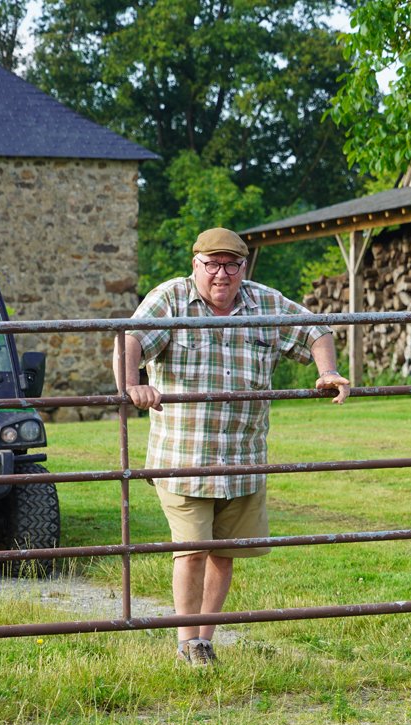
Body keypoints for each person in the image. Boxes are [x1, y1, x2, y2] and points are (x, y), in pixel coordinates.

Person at [113, 227, 350, 666]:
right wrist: (132, 384)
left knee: (224, 555)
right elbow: (130, 338)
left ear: (244, 266)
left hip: (243, 457)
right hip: (183, 457)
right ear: (195, 264)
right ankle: (186, 642)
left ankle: (204, 640)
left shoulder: (264, 302)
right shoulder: (170, 299)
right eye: (212, 265)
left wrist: (327, 372)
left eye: (231, 265)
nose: (221, 274)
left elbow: (316, 330)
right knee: (191, 551)